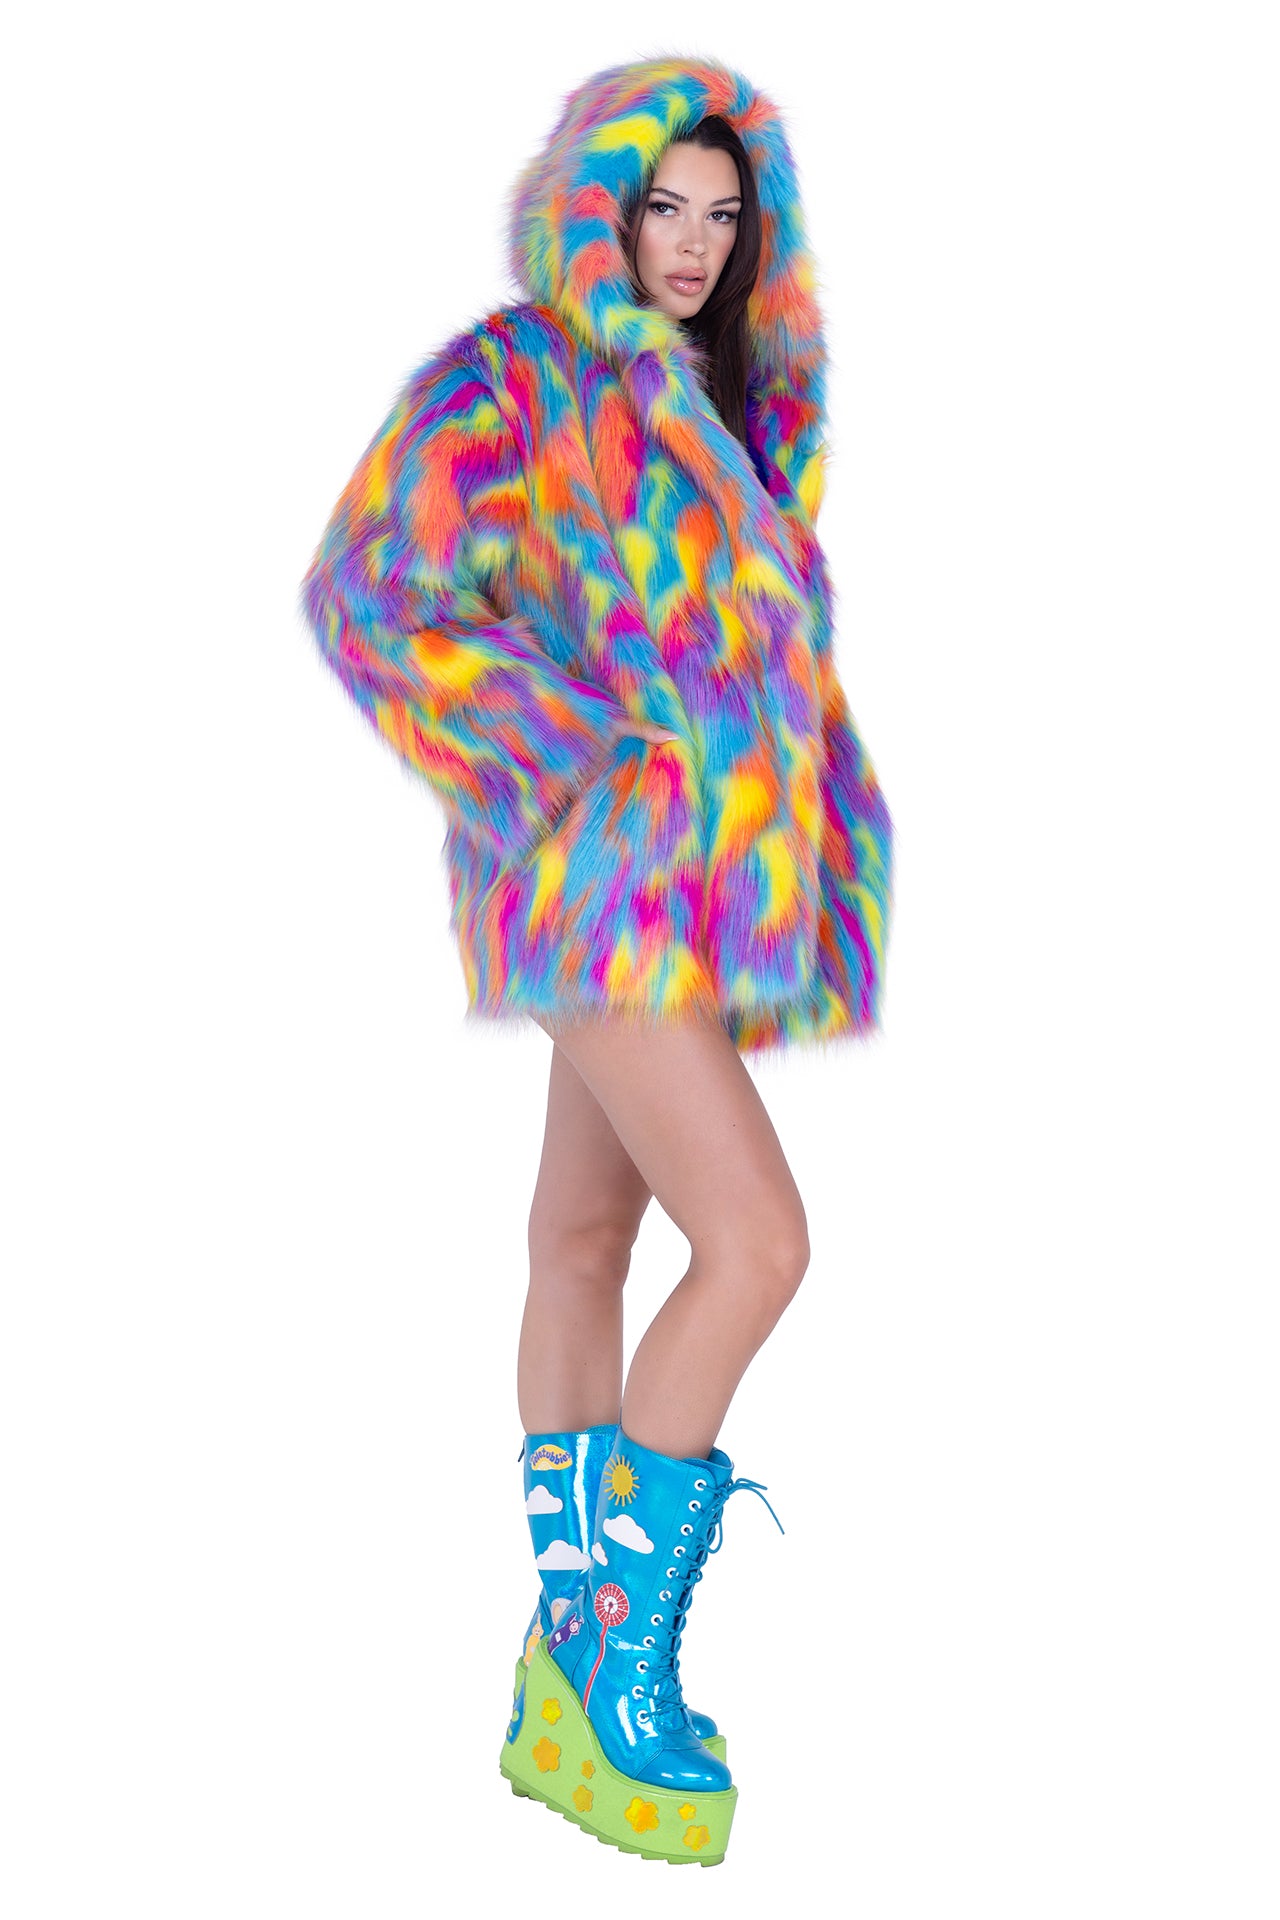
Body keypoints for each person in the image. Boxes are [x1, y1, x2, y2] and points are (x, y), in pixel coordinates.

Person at [299, 53, 895, 1866]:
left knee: (583, 1239)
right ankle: (613, 1661)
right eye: (663, 207)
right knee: (760, 1242)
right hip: (592, 880)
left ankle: (555, 1678)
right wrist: (561, 755)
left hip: (681, 894)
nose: (693, 243)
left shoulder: (735, 410)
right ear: (599, 209)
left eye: (725, 214)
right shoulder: (513, 378)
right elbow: (369, 593)